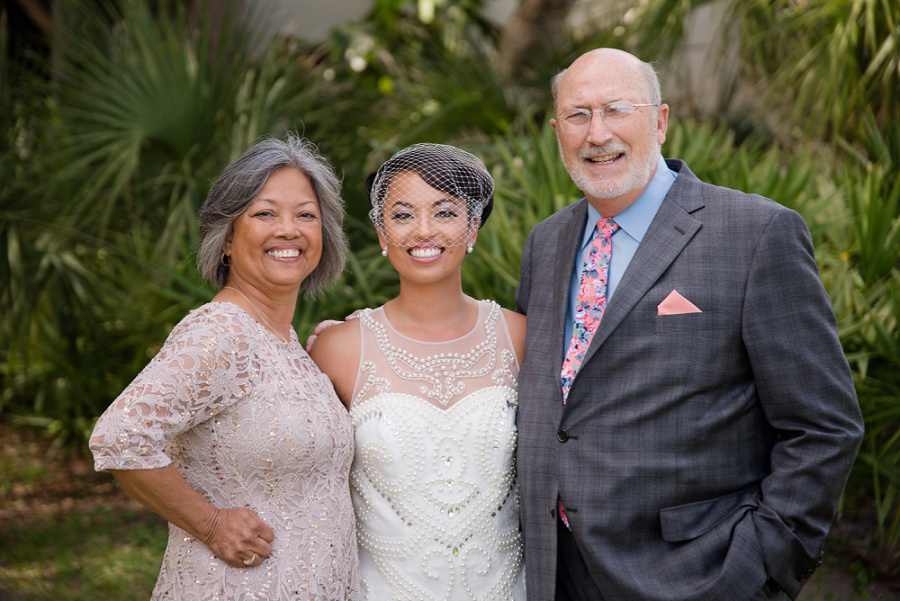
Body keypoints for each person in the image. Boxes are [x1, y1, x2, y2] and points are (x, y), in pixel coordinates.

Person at [515, 48, 864, 601]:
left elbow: (823, 426)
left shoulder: (754, 233)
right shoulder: (547, 242)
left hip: (700, 575)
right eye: (578, 115)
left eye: (617, 109)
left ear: (660, 120)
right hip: (558, 574)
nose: (597, 133)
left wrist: (762, 562)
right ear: (558, 130)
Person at [89, 135, 359, 600]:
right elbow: (121, 436)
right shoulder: (220, 333)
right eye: (265, 213)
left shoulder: (287, 342)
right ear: (228, 238)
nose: (289, 229)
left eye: (306, 215)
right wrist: (211, 524)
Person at [309, 143, 528, 599]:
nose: (423, 231)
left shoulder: (522, 338)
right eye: (403, 215)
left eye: (445, 212)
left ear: (473, 226)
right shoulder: (339, 349)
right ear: (381, 231)